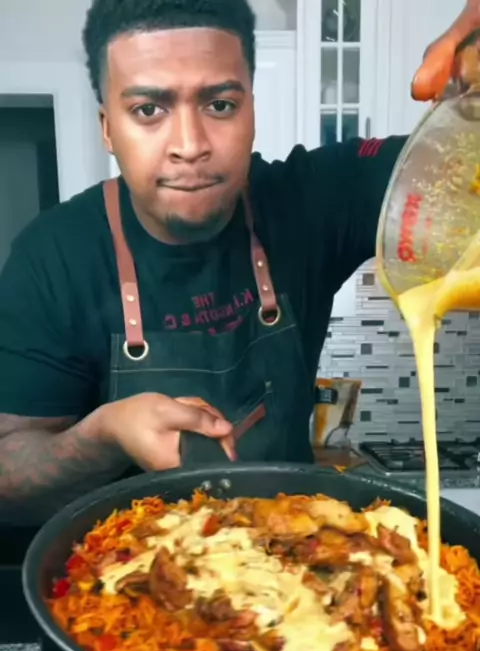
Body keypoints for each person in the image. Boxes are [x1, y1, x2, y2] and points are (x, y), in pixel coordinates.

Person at [0, 0, 478, 523]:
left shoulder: (310, 200)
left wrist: (469, 116)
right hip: (124, 564)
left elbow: (444, 168)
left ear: (251, 108)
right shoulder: (52, 258)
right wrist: (105, 434)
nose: (190, 146)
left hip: (301, 553)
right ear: (108, 127)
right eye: (149, 110)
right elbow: (8, 471)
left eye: (220, 104)